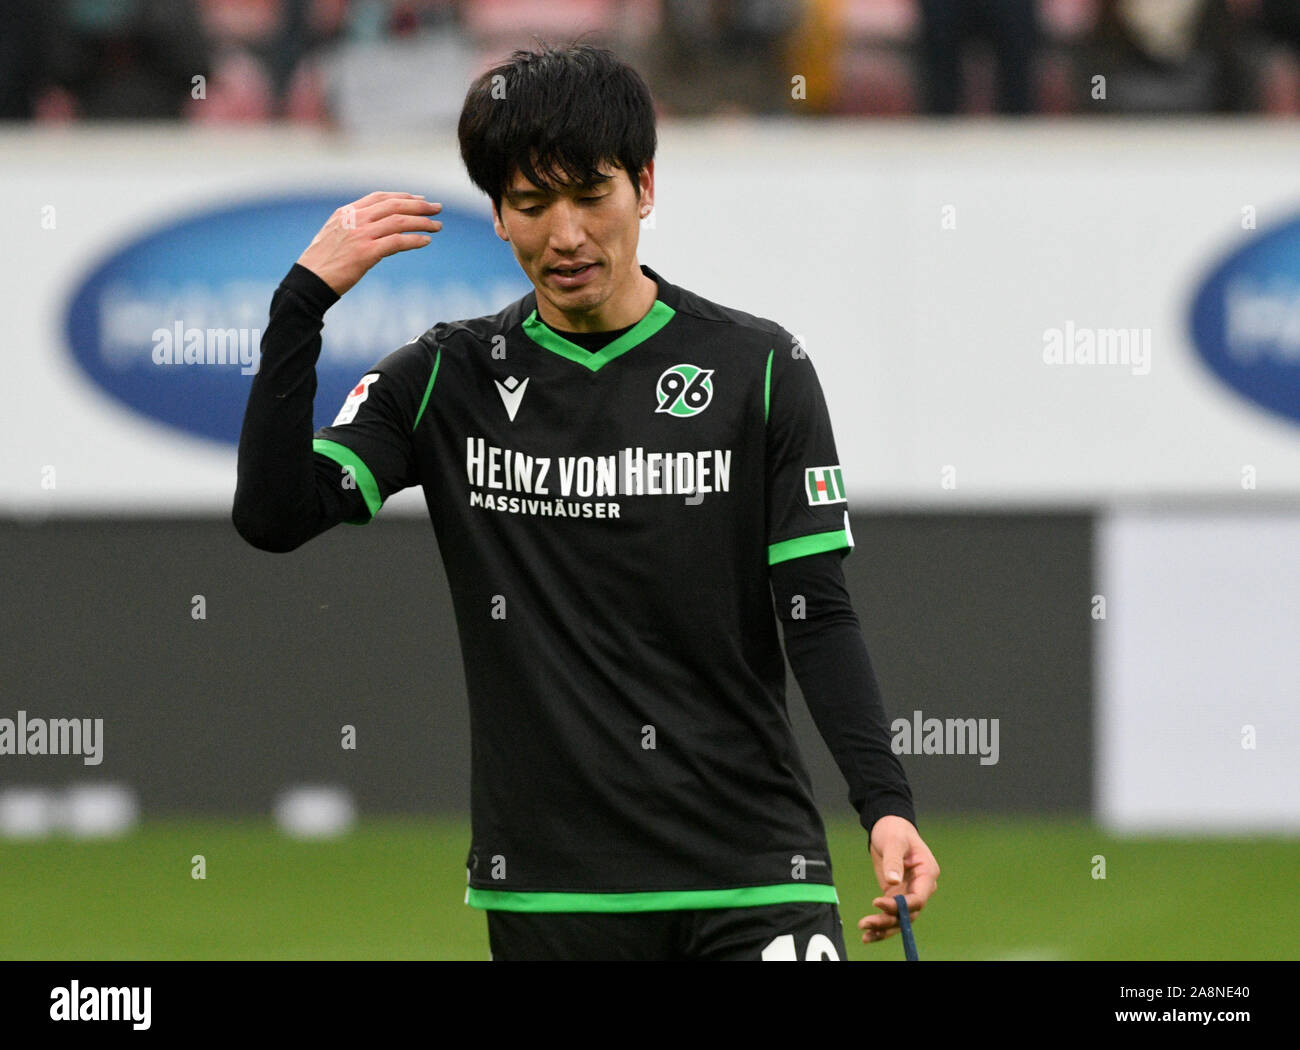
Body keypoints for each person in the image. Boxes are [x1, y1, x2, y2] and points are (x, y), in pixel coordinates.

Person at [232, 43, 938, 961]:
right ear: (498, 216)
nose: (564, 236)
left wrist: (885, 805)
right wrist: (300, 308)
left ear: (645, 186)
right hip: (552, 889)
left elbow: (815, 610)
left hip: (754, 871)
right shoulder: (445, 379)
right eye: (532, 205)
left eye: (590, 196)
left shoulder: (760, 371)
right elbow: (274, 516)